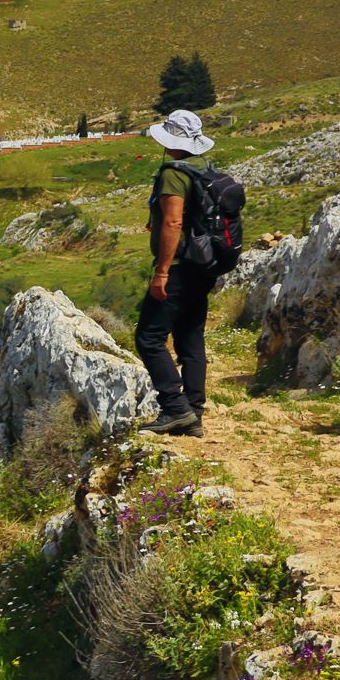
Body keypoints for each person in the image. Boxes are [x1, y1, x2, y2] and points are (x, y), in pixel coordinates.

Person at [135, 109, 216, 436]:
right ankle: (194, 411)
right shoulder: (202, 171)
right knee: (190, 337)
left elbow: (173, 222)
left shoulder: (172, 174)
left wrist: (162, 272)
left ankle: (175, 407)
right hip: (203, 268)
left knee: (149, 338)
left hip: (179, 267)